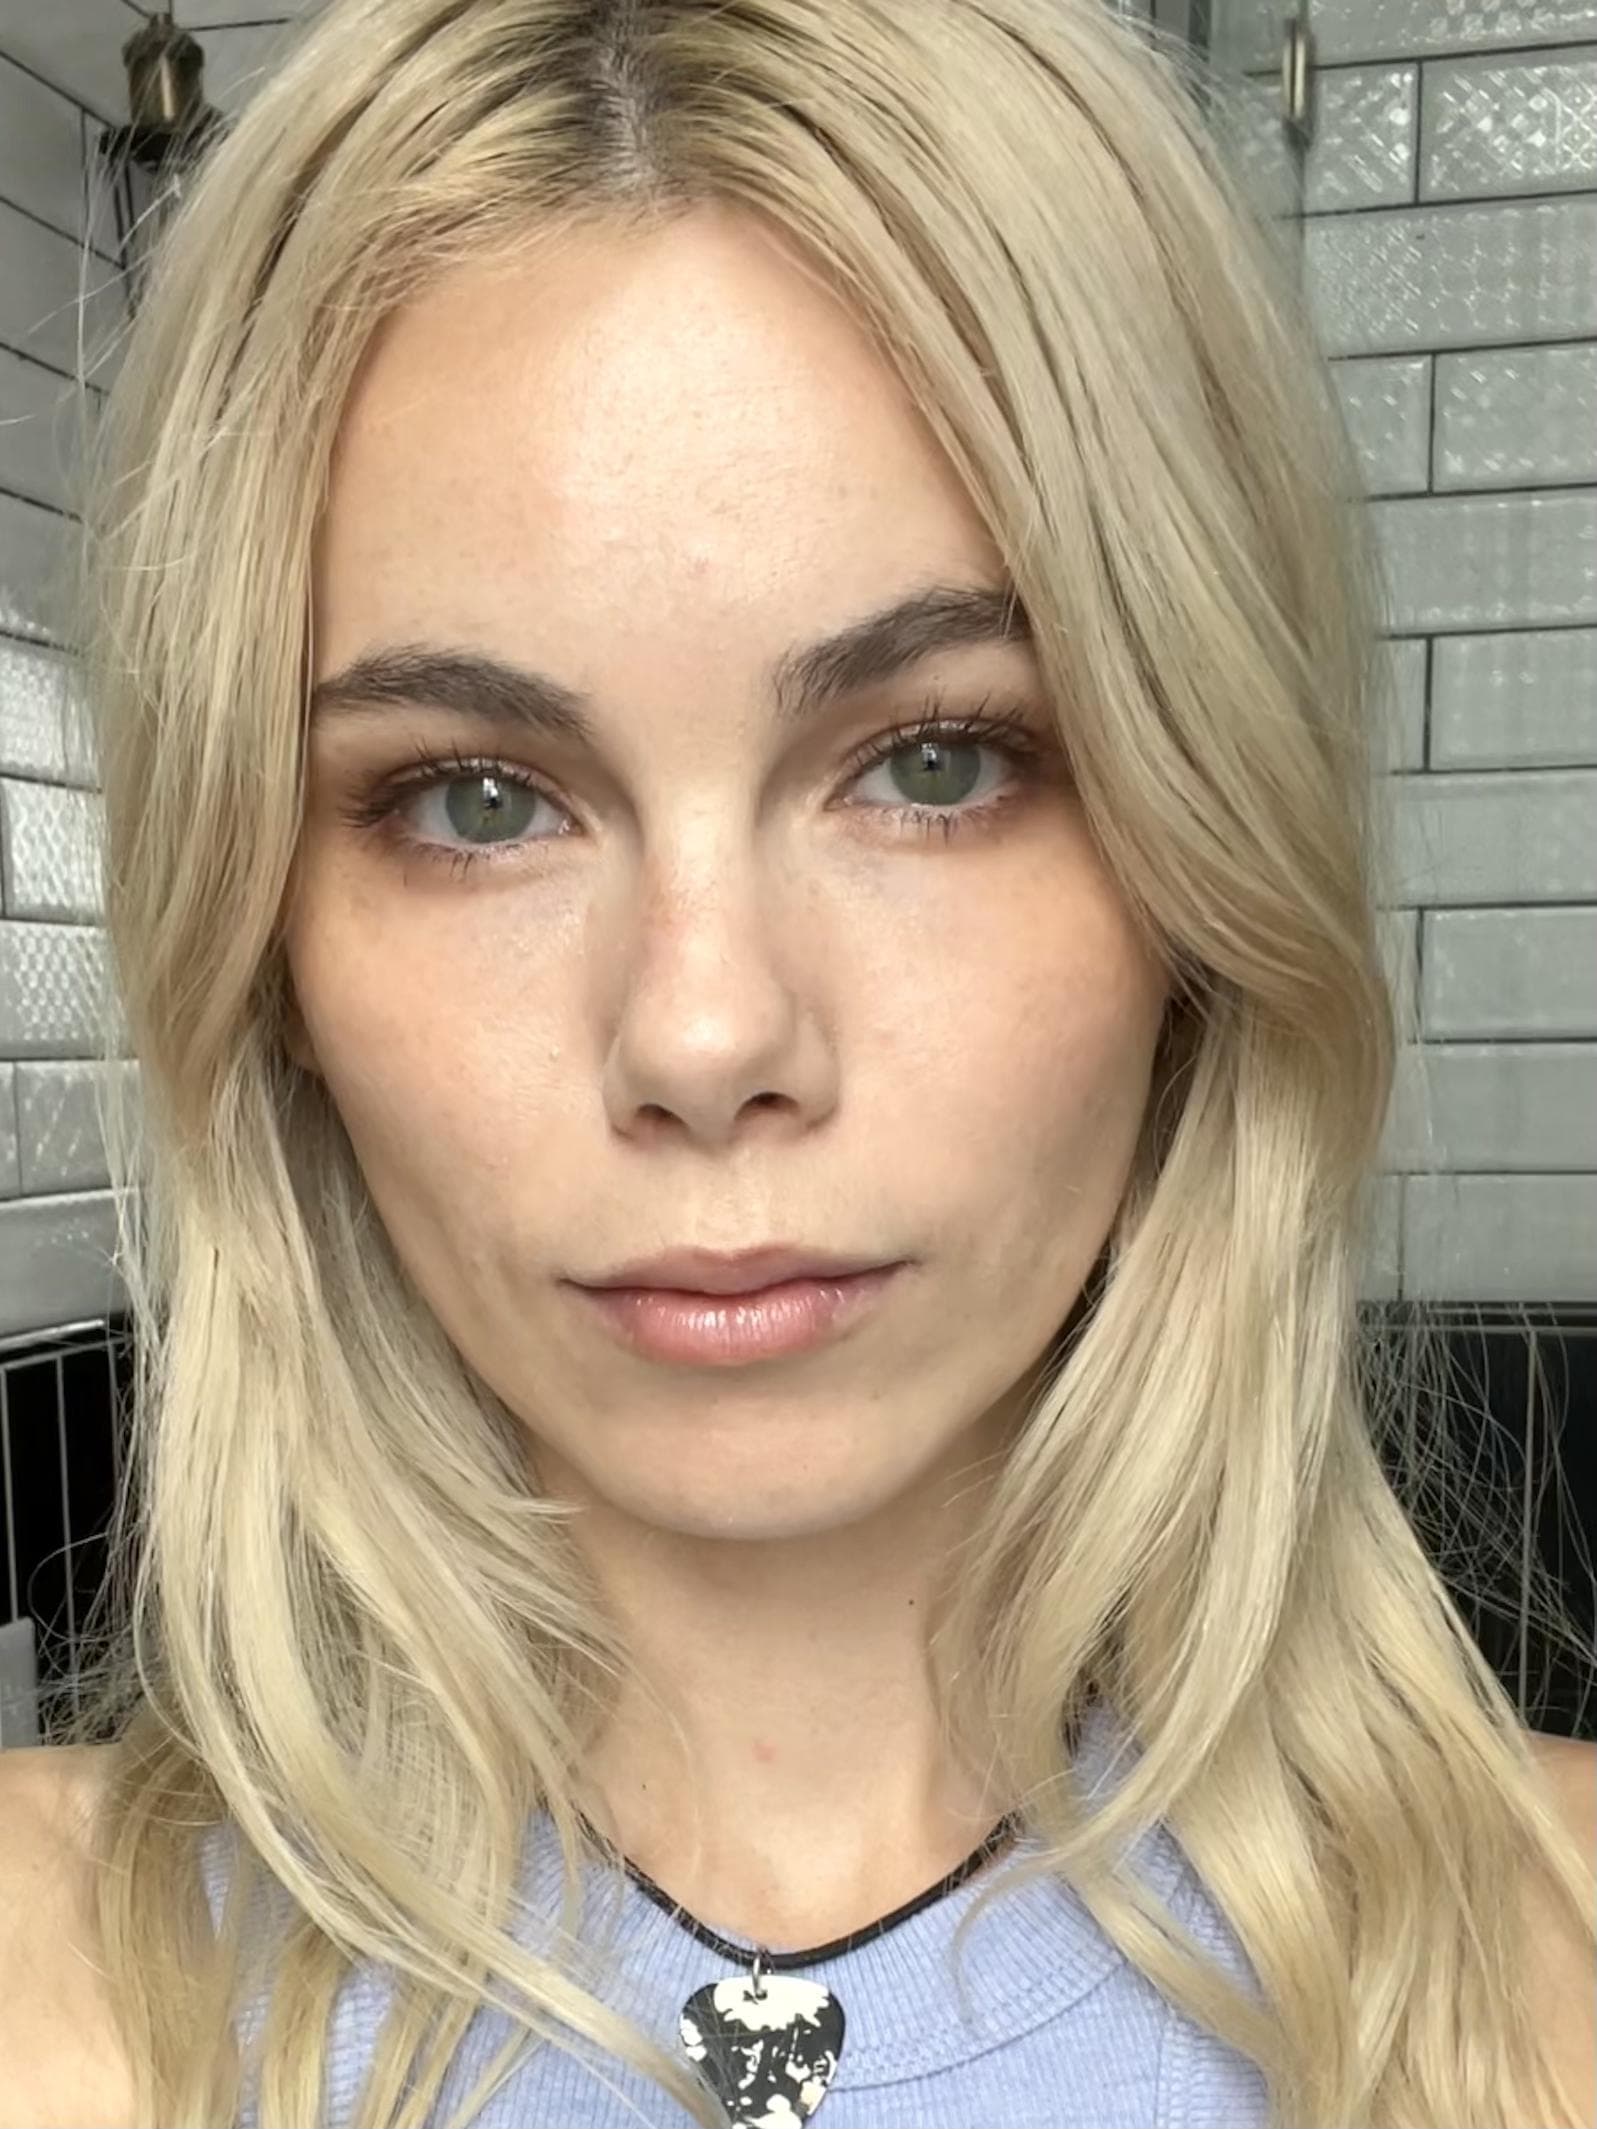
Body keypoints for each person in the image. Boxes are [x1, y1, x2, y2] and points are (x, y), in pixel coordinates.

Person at [0, 0, 1592, 2124]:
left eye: (935, 762)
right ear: (267, 949)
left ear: (1205, 875)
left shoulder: (1553, 1962)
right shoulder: (54, 1981)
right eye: (476, 798)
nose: (701, 1033)